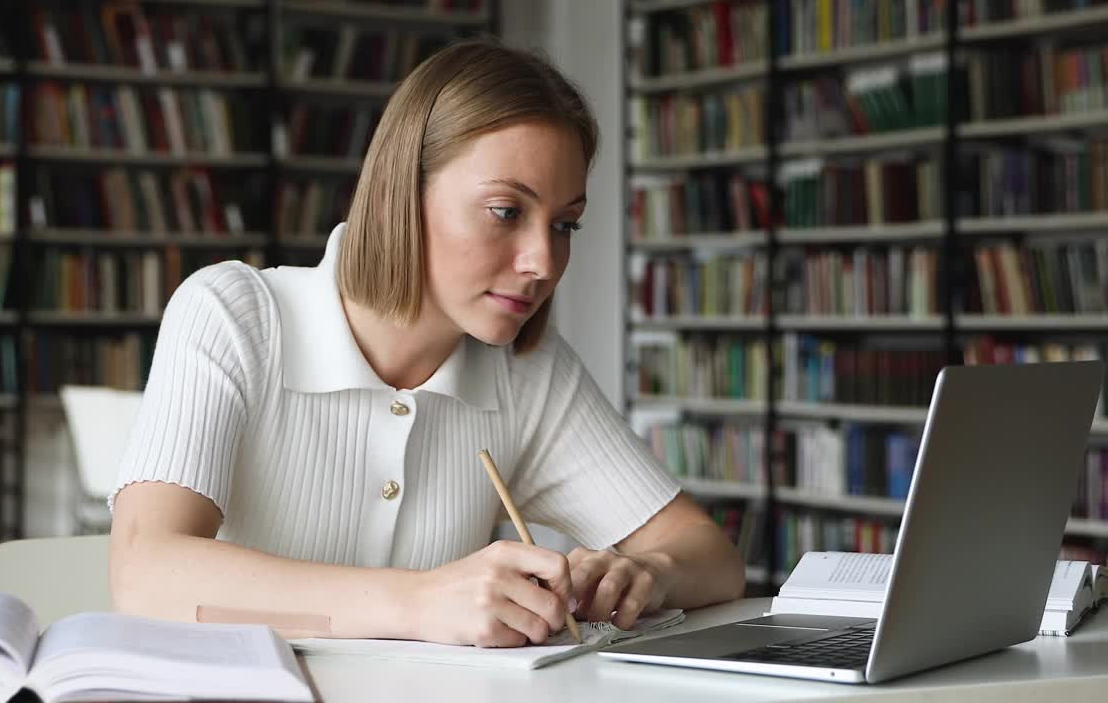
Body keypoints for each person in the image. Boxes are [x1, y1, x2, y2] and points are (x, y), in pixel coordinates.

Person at [109, 39, 745, 649]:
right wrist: (421, 601)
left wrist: (648, 573)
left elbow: (711, 556)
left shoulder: (527, 373)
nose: (543, 261)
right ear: (401, 193)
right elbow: (145, 575)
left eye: (564, 223)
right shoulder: (234, 315)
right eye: (506, 211)